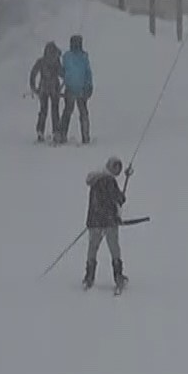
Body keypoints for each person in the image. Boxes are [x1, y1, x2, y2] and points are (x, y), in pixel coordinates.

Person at [83, 157, 128, 291]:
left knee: (93, 248)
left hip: (94, 221)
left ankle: (89, 276)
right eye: (116, 168)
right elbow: (118, 198)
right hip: (108, 221)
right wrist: (121, 197)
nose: (117, 171)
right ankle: (118, 276)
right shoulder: (109, 181)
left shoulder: (95, 180)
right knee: (114, 248)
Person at [58, 34, 93, 145]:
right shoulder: (67, 56)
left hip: (81, 89)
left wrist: (89, 86)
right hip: (71, 89)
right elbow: (63, 71)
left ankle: (85, 136)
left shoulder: (82, 56)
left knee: (81, 113)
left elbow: (88, 73)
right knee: (69, 112)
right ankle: (63, 135)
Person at [29, 41, 63, 143]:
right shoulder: (56, 61)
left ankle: (40, 131)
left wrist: (33, 87)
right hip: (54, 89)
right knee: (55, 111)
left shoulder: (41, 61)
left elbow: (33, 74)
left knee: (43, 111)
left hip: (43, 89)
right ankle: (56, 132)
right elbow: (62, 73)